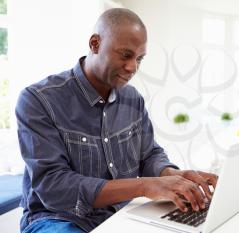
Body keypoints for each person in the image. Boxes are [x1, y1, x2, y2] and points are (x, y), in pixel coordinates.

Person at [15, 8, 218, 233]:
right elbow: (54, 186)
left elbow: (149, 154)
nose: (133, 68)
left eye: (139, 59)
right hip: (57, 220)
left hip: (121, 214)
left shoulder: (132, 99)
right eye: (125, 55)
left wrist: (171, 175)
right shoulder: (38, 99)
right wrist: (145, 185)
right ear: (95, 44)